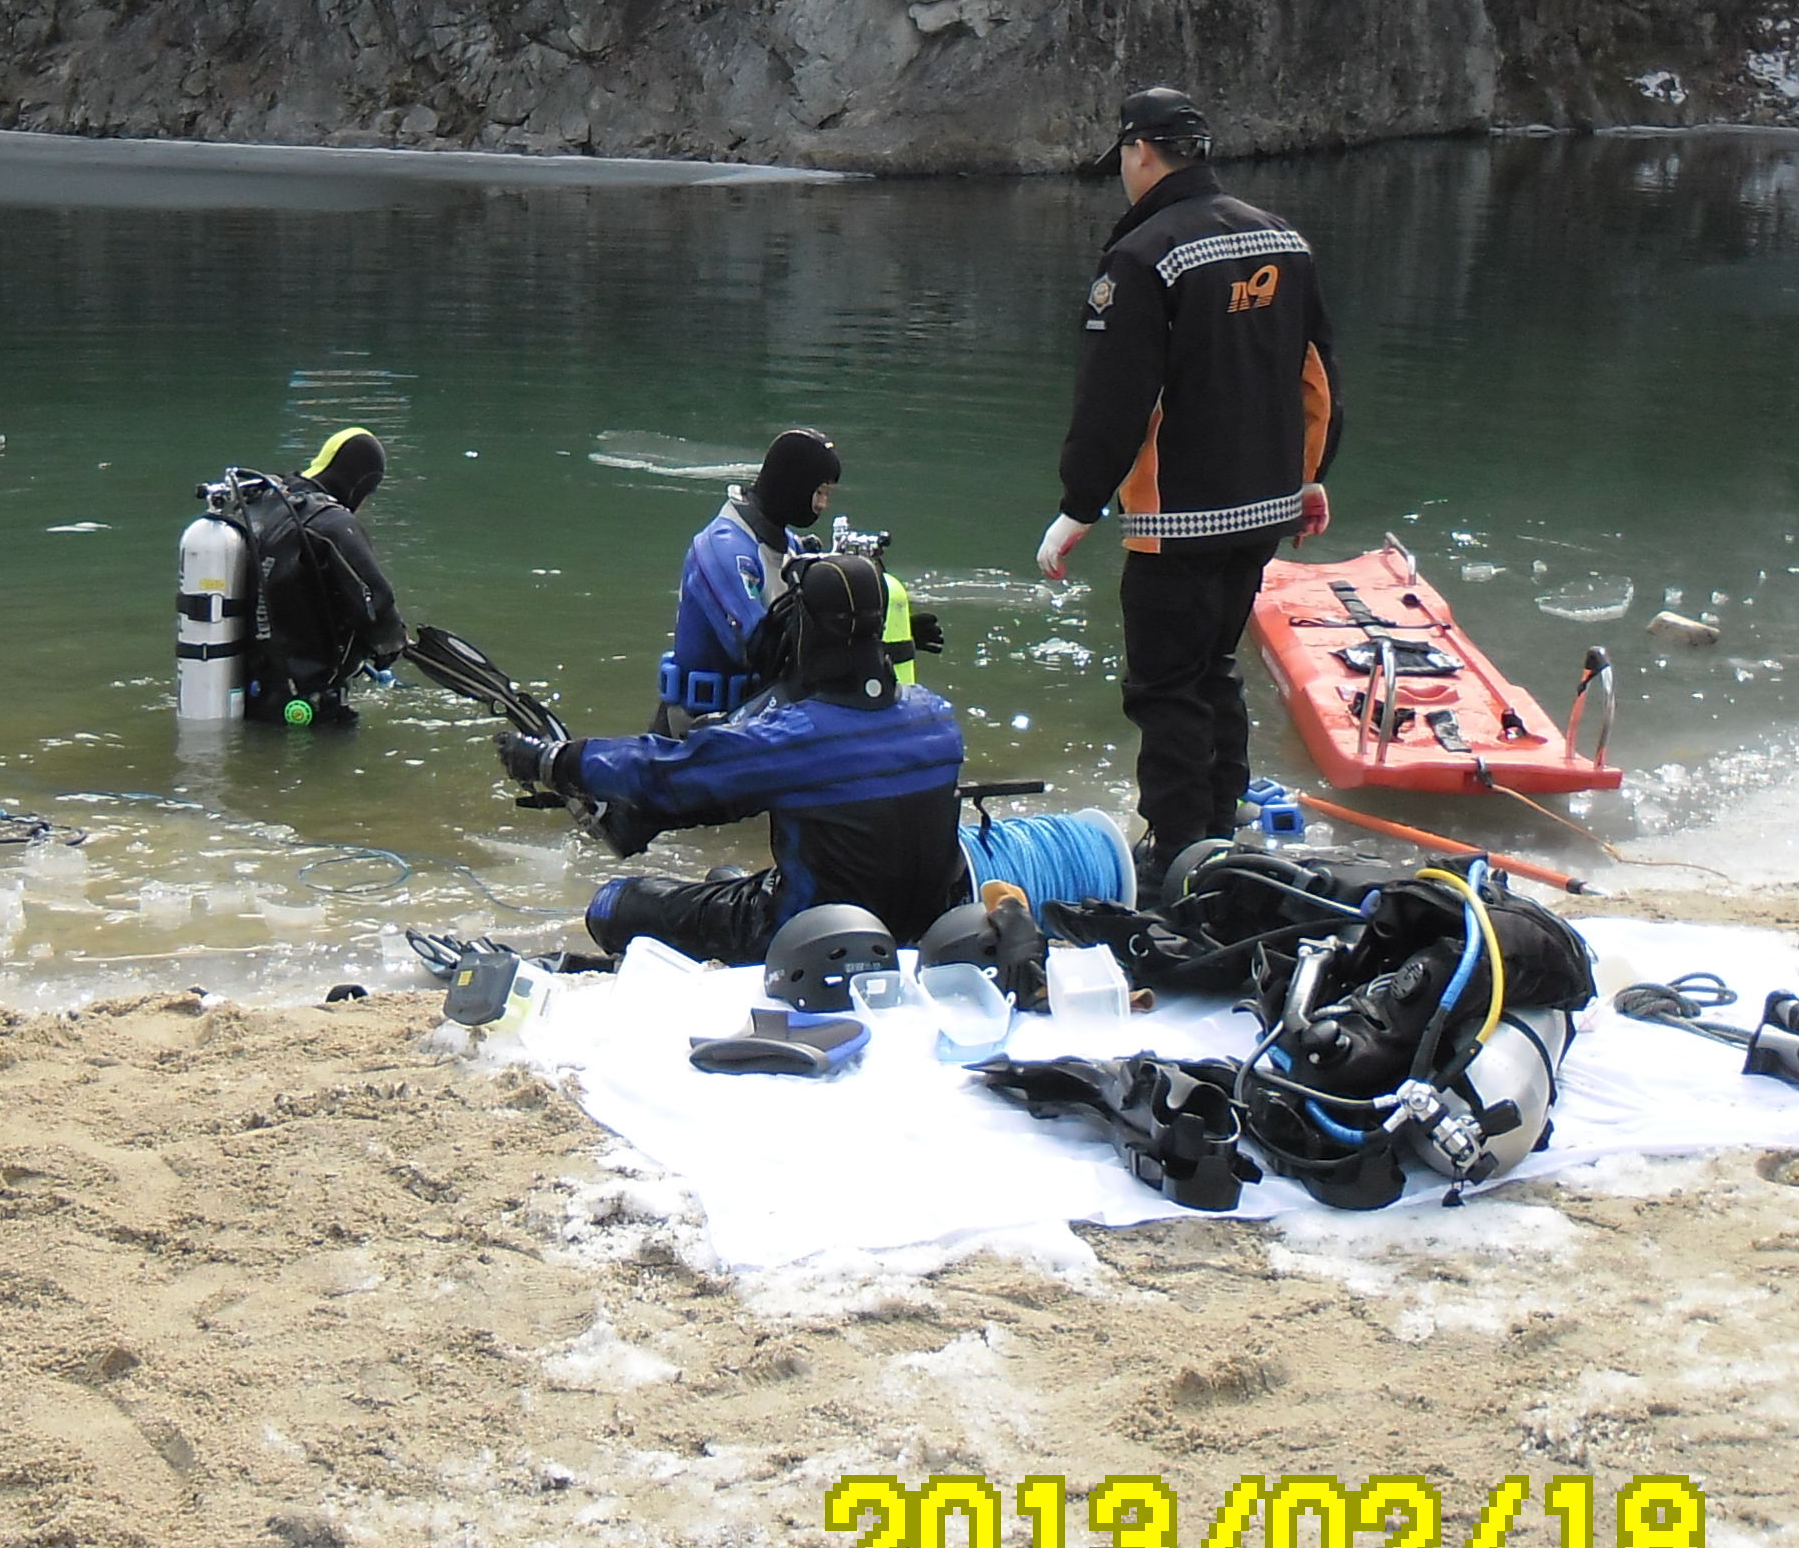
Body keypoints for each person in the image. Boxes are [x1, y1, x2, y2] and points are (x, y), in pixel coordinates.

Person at [1036, 85, 1340, 884]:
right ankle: (1220, 830)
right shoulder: (1285, 240)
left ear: (1139, 151)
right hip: (1264, 511)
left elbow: (1114, 399)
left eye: (1123, 157)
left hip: (1178, 520)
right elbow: (1317, 378)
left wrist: (1078, 505)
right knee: (1215, 669)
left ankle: (1178, 857)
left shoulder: (1145, 256)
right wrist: (1309, 478)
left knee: (1165, 686)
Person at [504, 554, 968, 963]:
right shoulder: (938, 717)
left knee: (613, 903)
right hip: (918, 931)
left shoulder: (796, 738)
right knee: (728, 879)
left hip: (811, 936)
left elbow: (667, 772)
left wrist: (555, 761)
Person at [658, 429, 842, 727]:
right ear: (793, 484)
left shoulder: (788, 545)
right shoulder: (723, 547)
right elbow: (760, 650)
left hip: (757, 718)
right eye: (819, 492)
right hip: (696, 727)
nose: (822, 505)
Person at [232, 426, 406, 723]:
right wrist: (391, 647)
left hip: (243, 692)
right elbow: (376, 605)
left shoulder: (261, 501)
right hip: (305, 708)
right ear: (360, 483)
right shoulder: (332, 524)